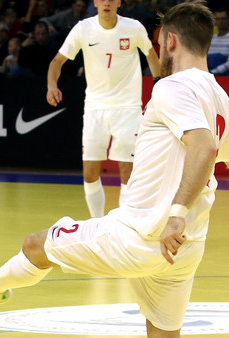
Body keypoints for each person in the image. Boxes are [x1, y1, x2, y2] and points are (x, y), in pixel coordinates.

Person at [0, 3, 229, 338]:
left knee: (36, 245)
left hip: (141, 236)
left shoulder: (171, 88)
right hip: (184, 248)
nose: (158, 51)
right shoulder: (219, 98)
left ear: (171, 40)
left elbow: (205, 147)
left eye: (160, 44)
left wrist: (176, 213)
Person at [47, 0, 160, 218]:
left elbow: (151, 55)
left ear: (118, 2)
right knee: (89, 172)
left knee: (127, 171)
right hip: (95, 109)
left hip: (128, 108)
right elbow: (57, 61)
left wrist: (159, 84)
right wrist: (52, 86)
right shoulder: (83, 29)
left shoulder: (133, 27)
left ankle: (126, 224)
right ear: (96, 3)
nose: (106, 3)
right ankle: (97, 224)